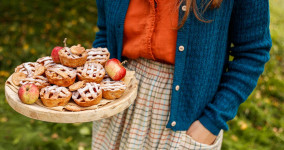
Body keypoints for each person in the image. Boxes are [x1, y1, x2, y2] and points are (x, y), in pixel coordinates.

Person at [91, 0, 272, 149]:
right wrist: (92, 82)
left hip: (186, 114)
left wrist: (211, 122)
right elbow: (106, 32)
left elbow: (252, 53)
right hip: (118, 102)